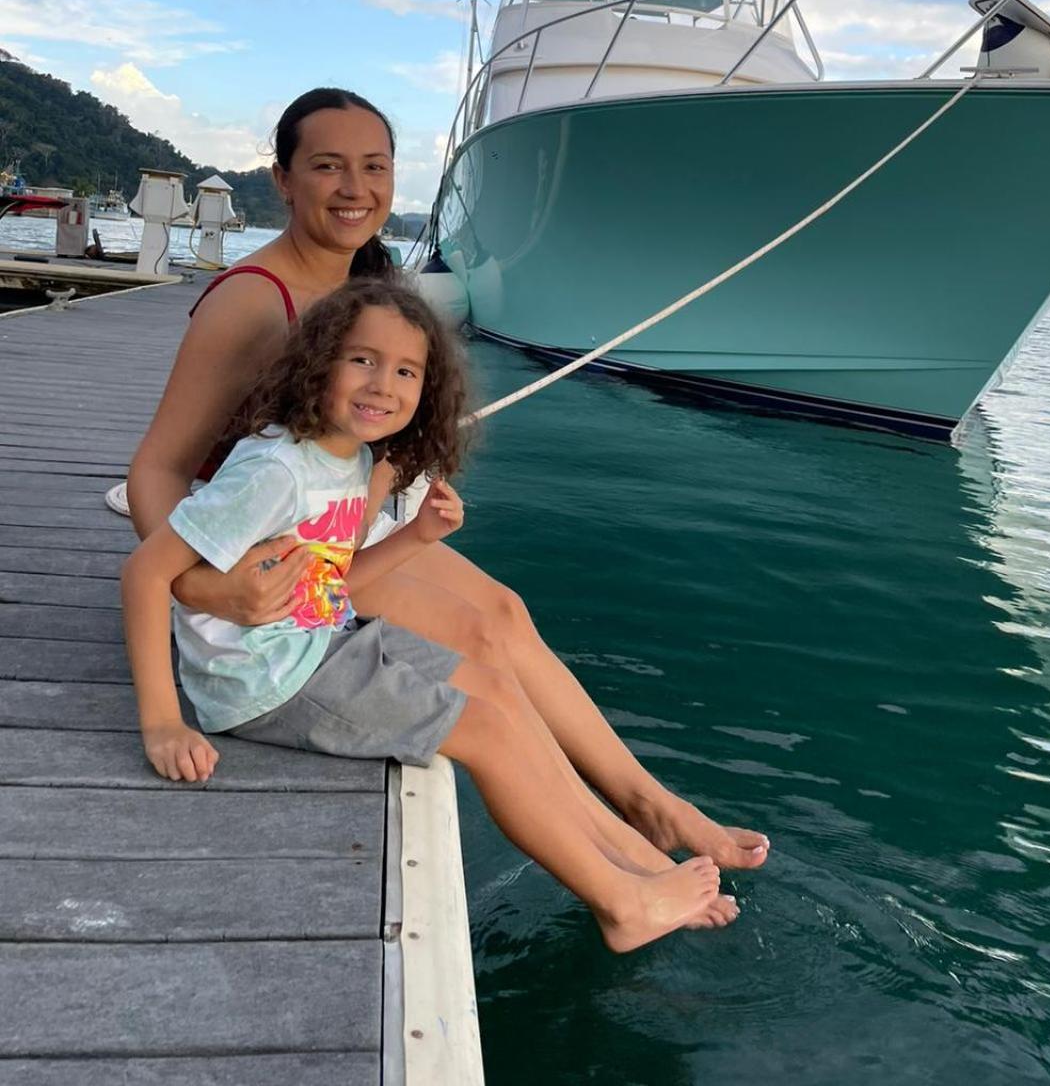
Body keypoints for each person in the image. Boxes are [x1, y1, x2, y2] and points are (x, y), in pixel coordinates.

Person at [127, 86, 769, 872]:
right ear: (283, 180)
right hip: (275, 550)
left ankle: (643, 801)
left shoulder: (366, 287)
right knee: (476, 637)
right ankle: (625, 853)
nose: (355, 188)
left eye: (374, 167)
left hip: (342, 521)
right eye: (328, 166)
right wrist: (198, 586)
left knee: (503, 611)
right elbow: (159, 466)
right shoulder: (254, 300)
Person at [122, 278, 732, 951]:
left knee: (496, 689)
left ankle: (633, 863)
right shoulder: (274, 471)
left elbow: (333, 582)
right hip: (269, 685)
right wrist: (163, 723)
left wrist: (415, 538)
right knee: (487, 734)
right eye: (362, 359)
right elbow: (146, 572)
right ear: (316, 363)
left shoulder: (348, 460)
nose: (382, 385)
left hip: (319, 642)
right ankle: (619, 904)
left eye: (406, 371)